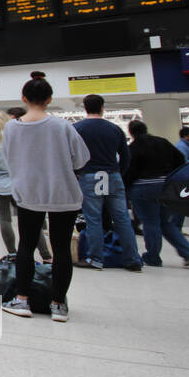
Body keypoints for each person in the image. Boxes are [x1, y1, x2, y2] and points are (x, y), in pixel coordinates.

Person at [1, 77, 89, 322]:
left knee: (26, 246)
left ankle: (21, 300)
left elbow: (10, 158)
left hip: (29, 194)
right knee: (61, 249)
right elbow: (81, 159)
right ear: (50, 99)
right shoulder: (62, 126)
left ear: (24, 98)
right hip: (63, 194)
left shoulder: (12, 128)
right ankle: (59, 304)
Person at [72, 94, 142, 272]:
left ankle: (96, 259)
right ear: (102, 107)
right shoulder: (114, 129)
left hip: (89, 176)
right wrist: (119, 172)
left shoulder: (76, 128)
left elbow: (69, 156)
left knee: (93, 218)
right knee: (122, 218)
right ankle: (132, 259)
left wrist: (76, 174)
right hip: (113, 175)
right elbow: (126, 156)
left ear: (84, 107)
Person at [124, 120, 189, 268]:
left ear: (131, 133)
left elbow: (129, 171)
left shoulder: (133, 148)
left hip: (143, 188)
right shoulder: (162, 142)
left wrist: (126, 189)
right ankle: (188, 252)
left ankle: (153, 257)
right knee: (165, 222)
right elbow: (180, 159)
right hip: (166, 186)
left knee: (151, 222)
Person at [0, 112, 51, 260]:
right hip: (20, 184)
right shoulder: (19, 141)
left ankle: (12, 253)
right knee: (30, 220)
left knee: (5, 219)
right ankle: (45, 254)